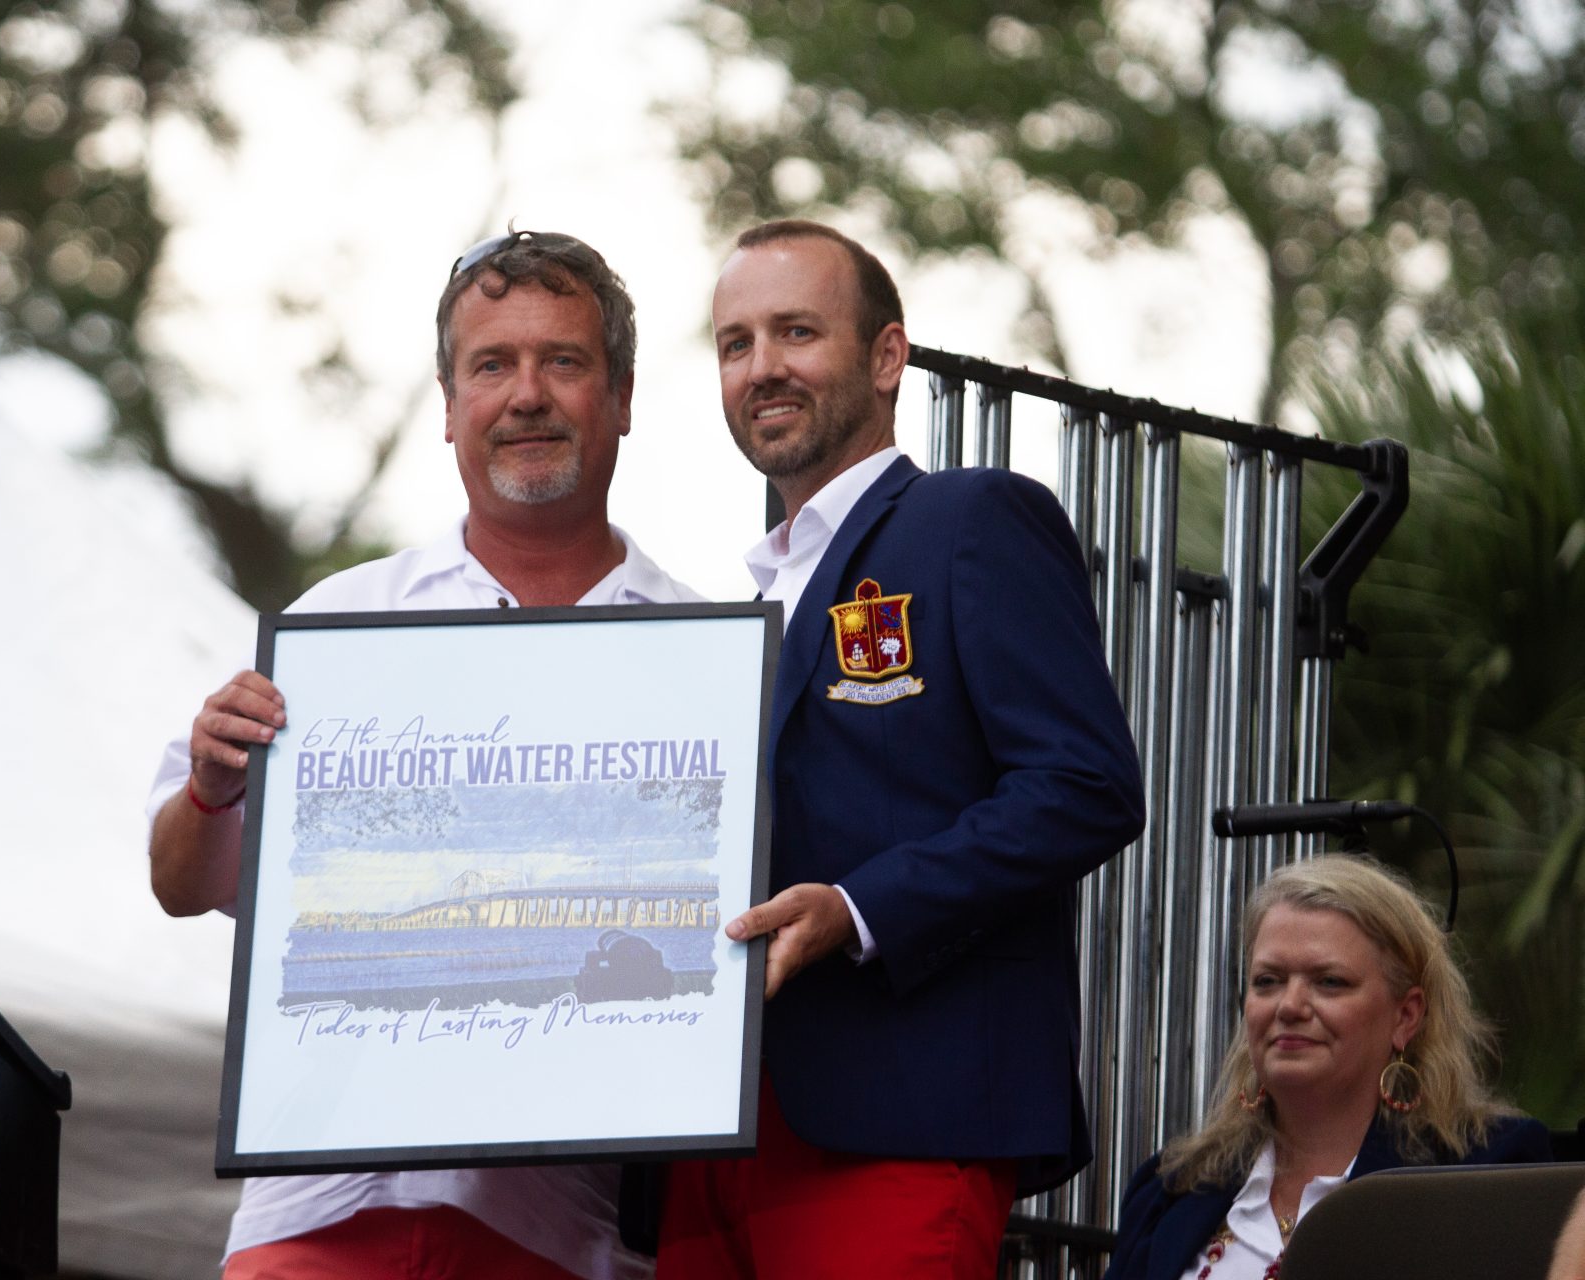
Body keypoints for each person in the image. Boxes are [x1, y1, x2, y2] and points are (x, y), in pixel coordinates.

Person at [147, 229, 696, 1280]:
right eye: (491, 365)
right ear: (448, 408)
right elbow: (180, 883)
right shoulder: (339, 624)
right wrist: (212, 790)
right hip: (320, 1213)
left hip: (565, 1231)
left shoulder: (700, 652)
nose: (526, 395)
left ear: (622, 397)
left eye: (563, 361)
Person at [654, 220, 1146, 1278]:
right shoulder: (747, 600)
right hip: (714, 1126)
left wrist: (858, 908)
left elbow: (1086, 785)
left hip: (898, 1117)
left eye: (796, 331)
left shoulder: (970, 518)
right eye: (736, 343)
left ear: (887, 357)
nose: (762, 366)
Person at [1103, 854, 1552, 1280]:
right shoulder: (1172, 1188)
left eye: (1329, 982)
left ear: (1405, 1016)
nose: (1289, 1005)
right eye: (1268, 981)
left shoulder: (1488, 1173)